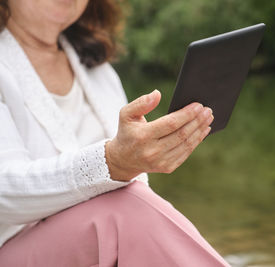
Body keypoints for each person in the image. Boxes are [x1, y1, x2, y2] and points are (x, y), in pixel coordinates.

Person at [0, 0, 230, 266]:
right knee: (124, 209)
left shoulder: (98, 69)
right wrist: (111, 163)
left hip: (95, 245)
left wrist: (145, 154)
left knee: (132, 204)